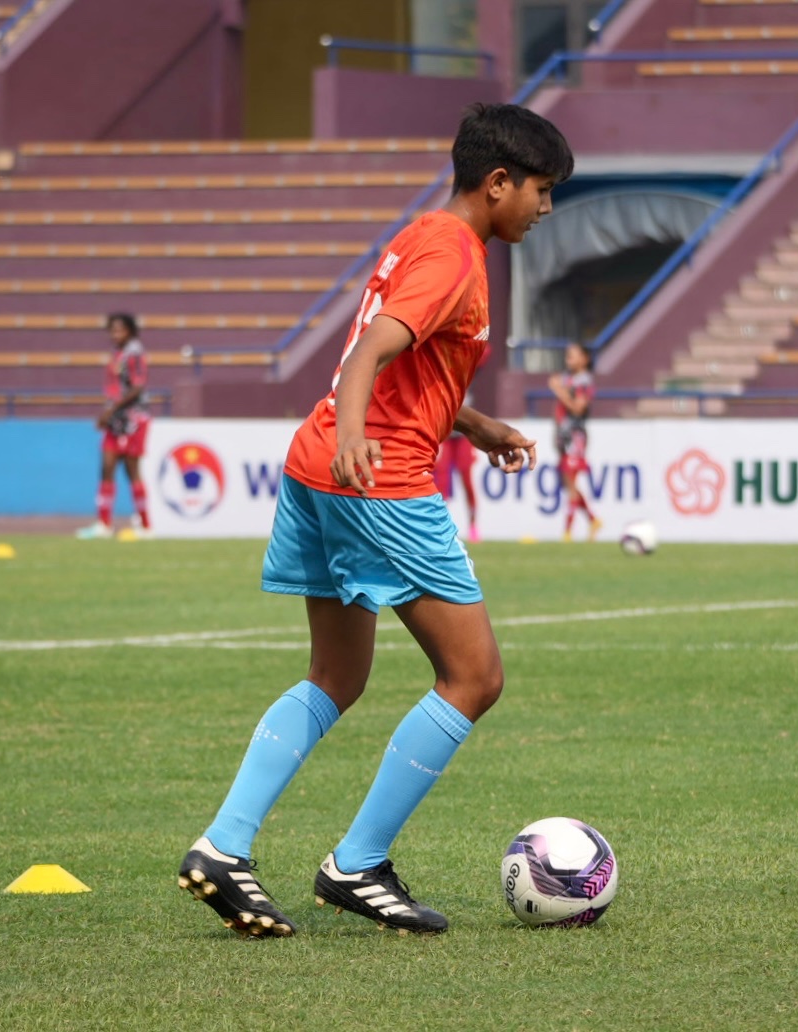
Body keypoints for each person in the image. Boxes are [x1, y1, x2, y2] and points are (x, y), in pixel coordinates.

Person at [178, 102, 574, 938]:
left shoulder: (422, 235)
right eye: (541, 190)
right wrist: (361, 435)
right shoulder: (456, 254)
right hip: (376, 476)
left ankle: (224, 847)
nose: (545, 207)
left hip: (317, 464)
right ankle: (356, 863)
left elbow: (409, 363)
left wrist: (472, 424)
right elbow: (369, 353)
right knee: (475, 677)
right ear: (497, 182)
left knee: (338, 675)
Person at [76, 313, 152, 539]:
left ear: (130, 331)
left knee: (132, 470)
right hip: (115, 419)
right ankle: (104, 524)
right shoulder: (117, 354)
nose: (115, 334)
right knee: (106, 466)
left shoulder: (135, 353)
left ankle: (147, 526)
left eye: (120, 330)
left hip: (132, 419)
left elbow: (137, 387)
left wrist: (110, 410)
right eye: (112, 330)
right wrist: (109, 412)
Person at [548, 341, 602, 541]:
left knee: (570, 483)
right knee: (567, 483)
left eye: (573, 354)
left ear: (584, 359)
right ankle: (593, 519)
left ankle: (568, 532)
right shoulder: (567, 378)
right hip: (564, 436)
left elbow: (578, 408)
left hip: (575, 436)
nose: (568, 358)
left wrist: (558, 390)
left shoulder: (584, 381)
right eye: (567, 354)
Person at [433, 385, 481, 543]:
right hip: (445, 434)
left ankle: (473, 525)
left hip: (463, 436)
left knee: (467, 480)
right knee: (441, 481)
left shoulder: (467, 372)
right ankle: (440, 525)